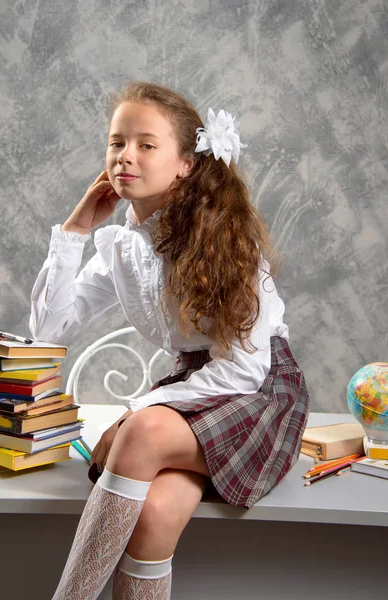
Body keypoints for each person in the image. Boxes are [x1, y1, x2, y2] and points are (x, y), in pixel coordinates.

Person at [29, 81, 310, 600]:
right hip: (195, 388)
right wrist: (75, 230)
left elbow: (244, 371)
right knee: (154, 513)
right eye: (116, 143)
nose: (125, 157)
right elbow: (49, 331)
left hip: (259, 393)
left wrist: (137, 411)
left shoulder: (227, 242)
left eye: (146, 144)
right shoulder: (121, 246)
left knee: (140, 431)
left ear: (185, 162)